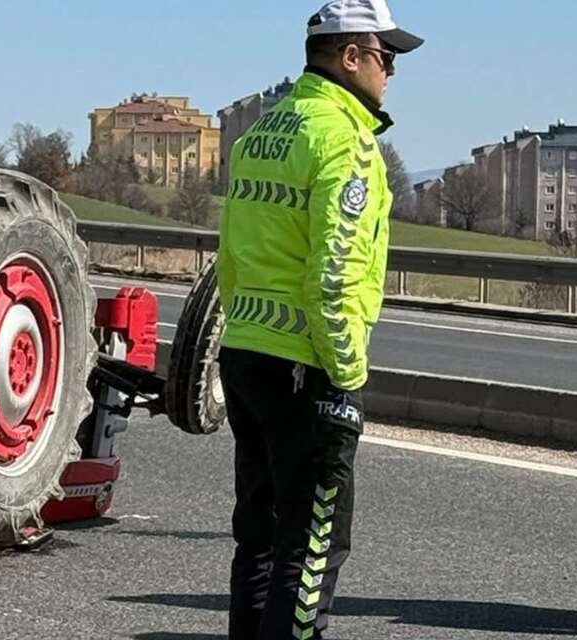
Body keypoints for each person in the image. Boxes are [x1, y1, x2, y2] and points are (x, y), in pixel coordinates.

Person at [214, 1, 422, 638]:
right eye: (386, 58)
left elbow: (230, 256)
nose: (392, 73)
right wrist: (346, 376)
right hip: (308, 366)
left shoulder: (262, 133)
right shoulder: (347, 144)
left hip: (245, 350)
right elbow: (334, 272)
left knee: (258, 536)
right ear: (350, 58)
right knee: (310, 549)